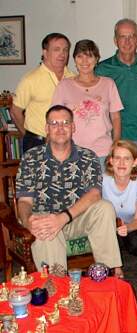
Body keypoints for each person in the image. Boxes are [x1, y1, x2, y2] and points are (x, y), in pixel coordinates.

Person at [15, 105, 123, 276]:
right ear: (47, 128)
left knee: (104, 207)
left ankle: (107, 274)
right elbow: (24, 201)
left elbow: (94, 195)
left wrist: (63, 218)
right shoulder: (31, 158)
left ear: (73, 127)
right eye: (54, 123)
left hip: (76, 218)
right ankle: (57, 288)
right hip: (45, 221)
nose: (60, 128)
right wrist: (28, 221)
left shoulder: (87, 156)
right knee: (46, 230)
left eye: (65, 123)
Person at [96, 18, 137, 179]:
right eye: (123, 36)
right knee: (115, 185)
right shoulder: (103, 69)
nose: (127, 41)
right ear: (115, 40)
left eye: (131, 36)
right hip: (114, 137)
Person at [52, 39, 122, 169]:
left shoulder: (108, 84)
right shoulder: (64, 85)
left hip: (102, 152)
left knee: (102, 189)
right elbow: (54, 120)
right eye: (80, 56)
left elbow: (116, 117)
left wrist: (116, 144)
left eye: (89, 56)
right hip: (72, 152)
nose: (84, 61)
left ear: (96, 60)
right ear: (74, 60)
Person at [11, 33, 74, 153]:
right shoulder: (30, 79)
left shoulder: (73, 77)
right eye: (56, 49)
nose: (62, 54)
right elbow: (15, 112)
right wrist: (29, 136)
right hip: (37, 142)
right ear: (45, 52)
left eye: (65, 50)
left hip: (66, 142)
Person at [103, 140, 137, 277]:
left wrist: (128, 228)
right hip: (108, 228)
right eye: (117, 158)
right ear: (110, 161)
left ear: (135, 162)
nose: (121, 163)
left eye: (127, 159)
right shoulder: (103, 181)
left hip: (131, 226)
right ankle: (116, 265)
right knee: (105, 237)